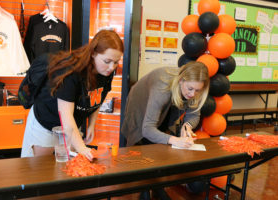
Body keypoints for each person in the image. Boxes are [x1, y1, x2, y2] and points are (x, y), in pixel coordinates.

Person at [21, 30, 124, 161]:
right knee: (37, 168)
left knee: (67, 168)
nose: (111, 67)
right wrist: (81, 148)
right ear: (93, 53)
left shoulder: (105, 73)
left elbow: (97, 99)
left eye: (116, 62)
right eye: (107, 61)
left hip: (71, 125)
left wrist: (91, 124)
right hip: (46, 121)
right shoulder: (72, 72)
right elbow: (65, 114)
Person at [121, 61, 210, 199]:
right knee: (145, 144)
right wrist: (175, 140)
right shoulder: (161, 88)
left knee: (161, 144)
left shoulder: (193, 89)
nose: (193, 94)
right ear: (181, 80)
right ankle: (144, 189)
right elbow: (147, 129)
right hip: (141, 103)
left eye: (198, 90)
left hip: (168, 101)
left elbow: (193, 115)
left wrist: (188, 125)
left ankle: (157, 187)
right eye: (190, 88)